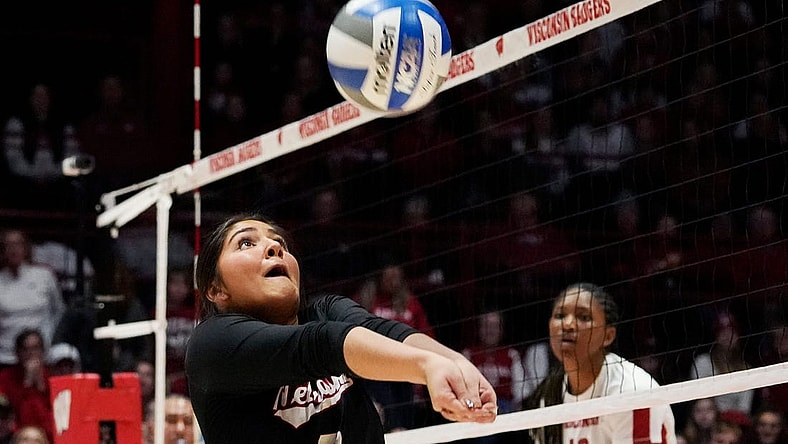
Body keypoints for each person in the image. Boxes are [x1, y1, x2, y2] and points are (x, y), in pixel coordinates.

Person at [184, 213, 497, 443]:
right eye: (246, 242)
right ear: (216, 290)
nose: (273, 248)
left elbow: (382, 331)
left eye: (279, 242)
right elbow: (324, 344)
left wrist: (457, 365)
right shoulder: (212, 344)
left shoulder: (324, 309)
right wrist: (428, 368)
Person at [525, 282, 677, 444]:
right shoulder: (549, 397)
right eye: (560, 316)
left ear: (608, 336)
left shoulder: (633, 390)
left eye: (584, 317)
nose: (568, 324)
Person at [0, 229, 66, 367]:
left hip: (42, 354)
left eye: (17, 244)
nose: (13, 250)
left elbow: (59, 311)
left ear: (26, 247)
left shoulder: (44, 276)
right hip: (6, 356)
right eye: (8, 245)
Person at [0, 330, 54, 442]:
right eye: (26, 349)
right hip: (15, 437)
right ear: (18, 352)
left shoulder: (52, 376)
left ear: (43, 351)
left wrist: (41, 386)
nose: (31, 353)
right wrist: (27, 383)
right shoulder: (5, 377)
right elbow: (7, 411)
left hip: (48, 435)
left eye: (35, 348)